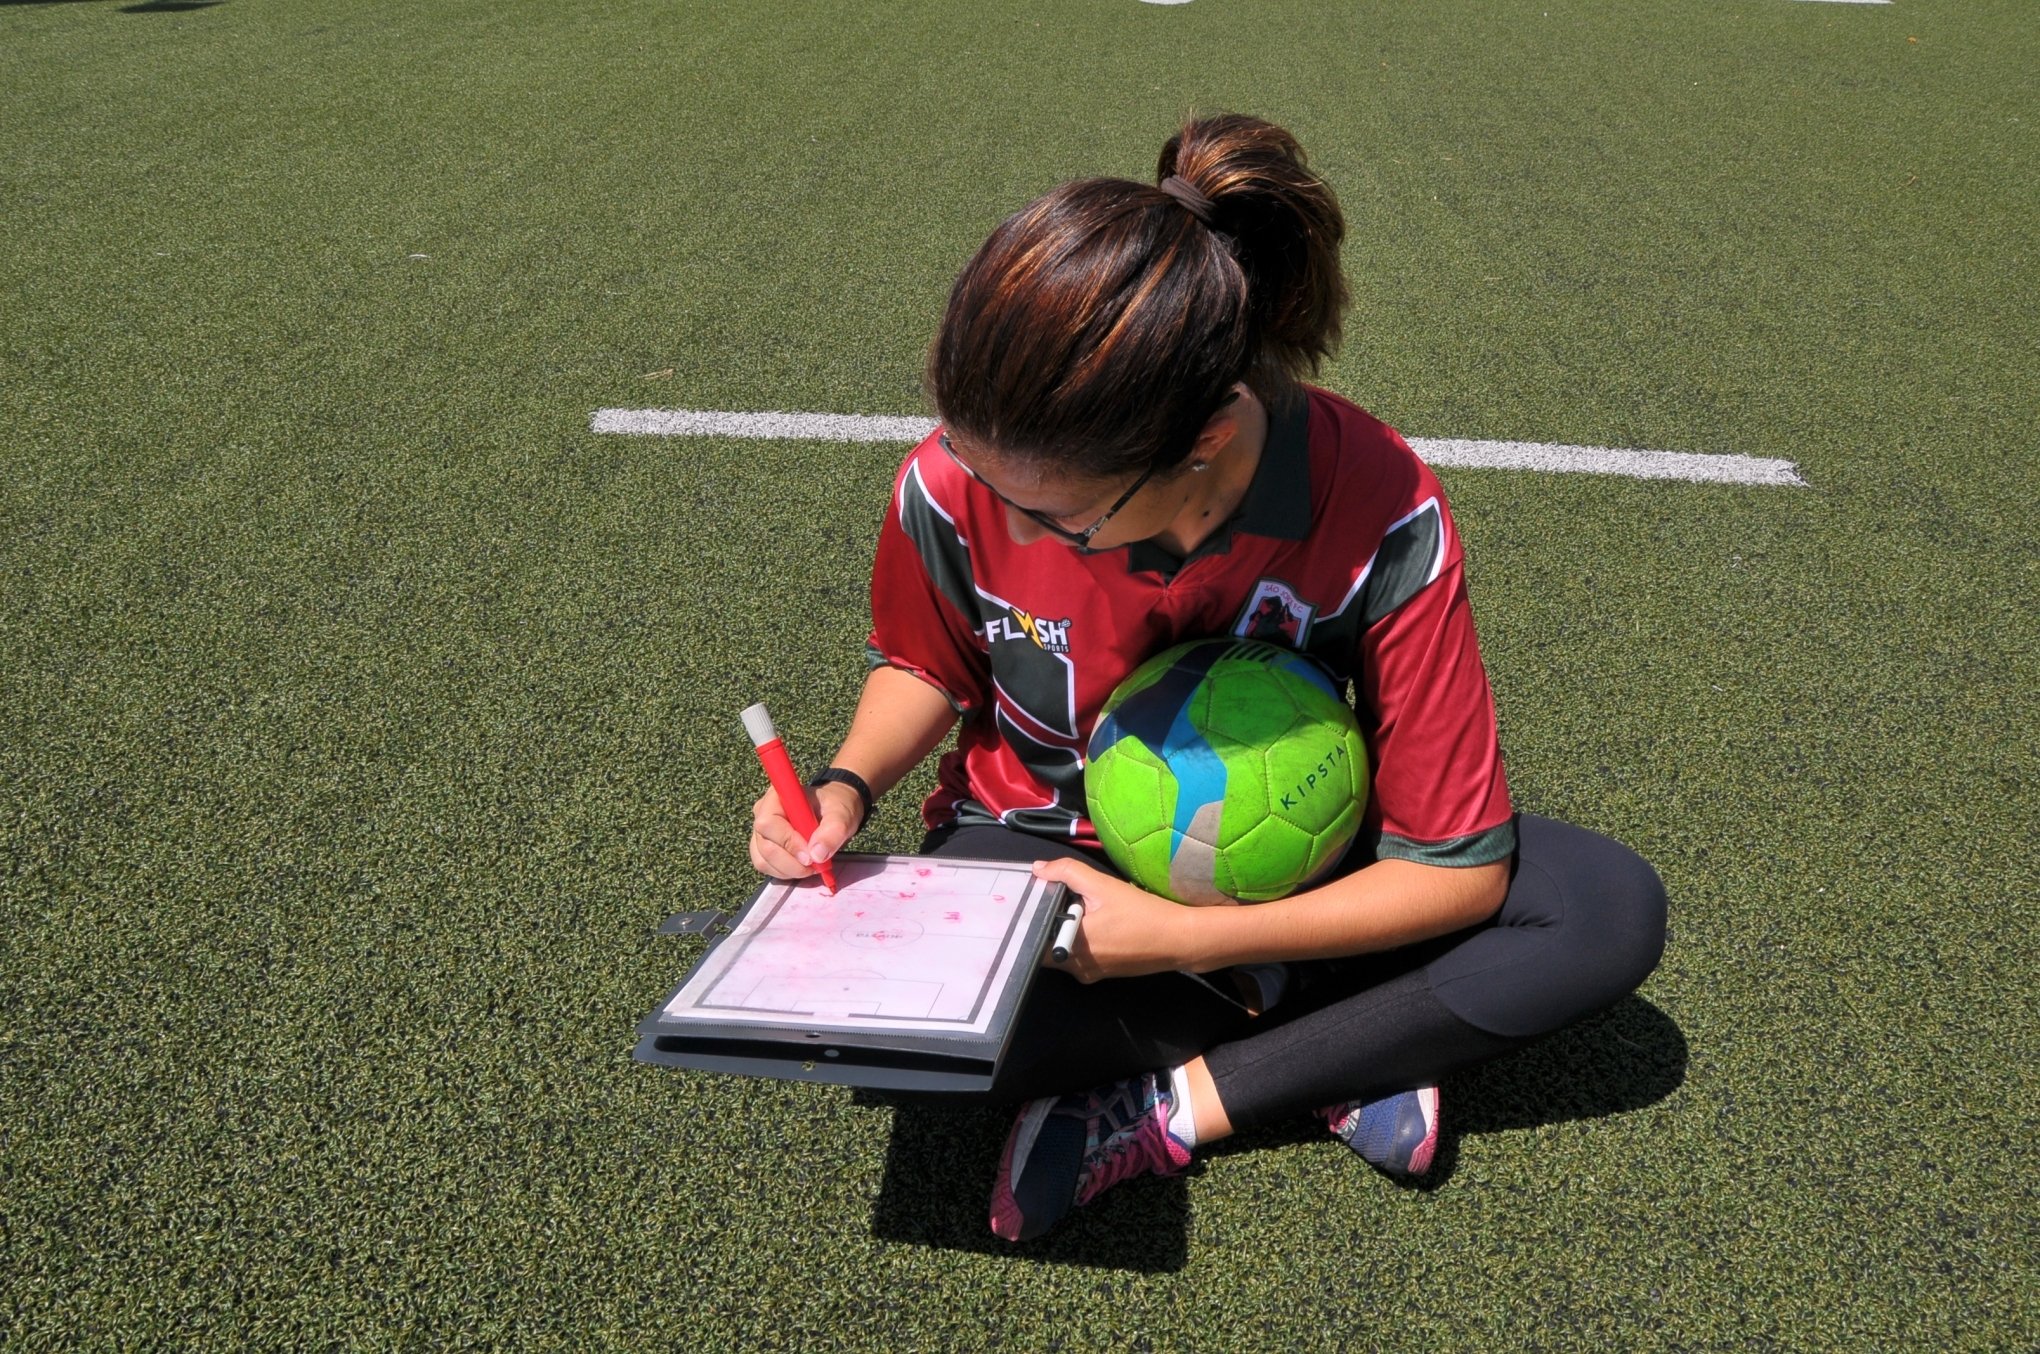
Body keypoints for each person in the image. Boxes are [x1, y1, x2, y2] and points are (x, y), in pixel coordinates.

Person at [748, 114, 1667, 1243]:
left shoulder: (1383, 506)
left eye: (1056, 513)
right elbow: (927, 662)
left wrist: (1178, 939)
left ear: (1212, 440)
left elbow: (1458, 869)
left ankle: (1173, 1104)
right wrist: (845, 784)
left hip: (1312, 868)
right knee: (886, 1048)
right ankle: (1364, 1040)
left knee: (1600, 911)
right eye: (984, 475)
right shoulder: (954, 478)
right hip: (1045, 861)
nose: (1007, 513)